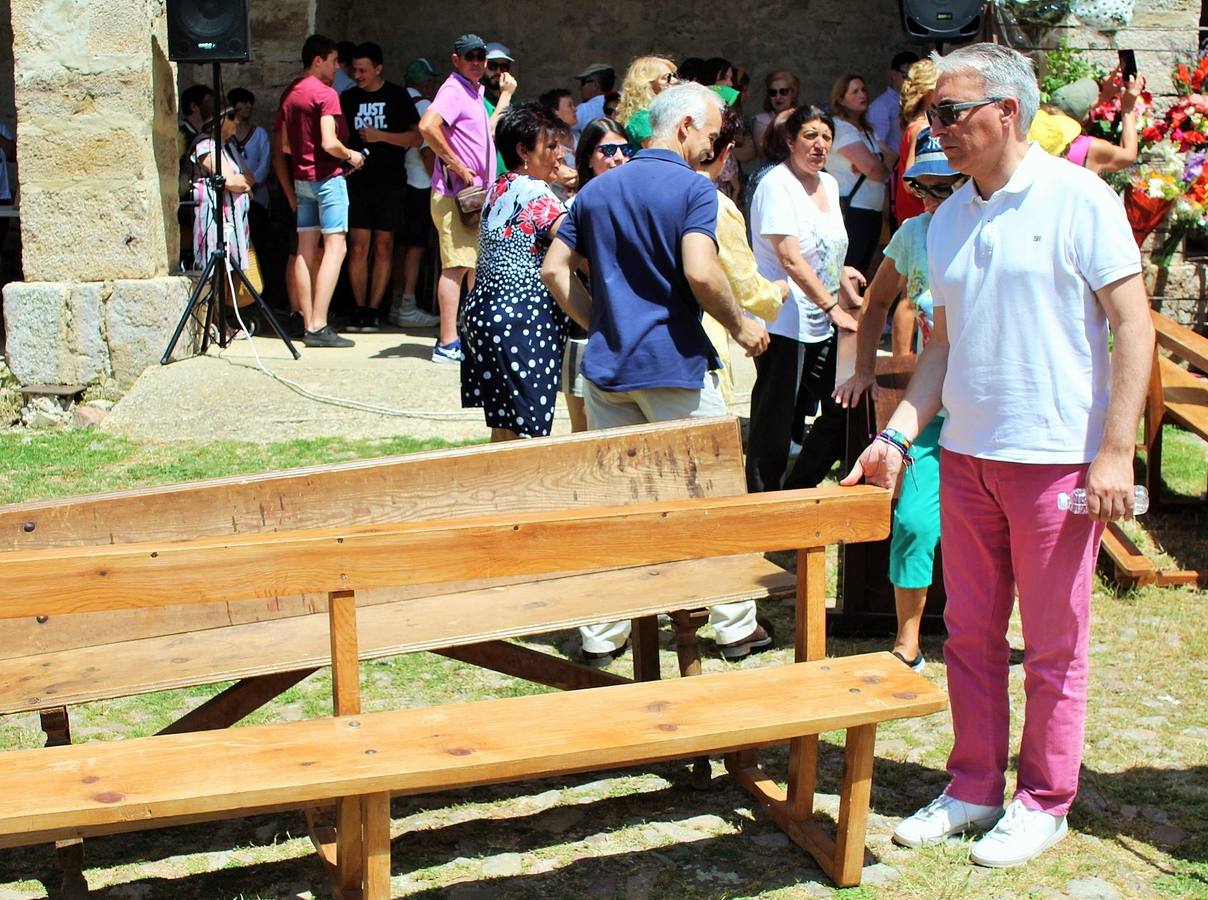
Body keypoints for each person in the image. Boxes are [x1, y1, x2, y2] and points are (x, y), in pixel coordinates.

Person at [843, 43, 1154, 869]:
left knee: (1054, 644)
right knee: (970, 635)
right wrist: (899, 433)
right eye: (929, 114)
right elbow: (943, 350)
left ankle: (1043, 800)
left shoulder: (1080, 198)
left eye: (949, 112)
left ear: (1006, 112)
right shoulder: (945, 220)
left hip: (1057, 459)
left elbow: (1134, 326)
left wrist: (1116, 451)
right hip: (971, 458)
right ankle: (975, 784)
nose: (933, 127)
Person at [541, 83, 771, 666]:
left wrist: (599, 323)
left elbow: (554, 269)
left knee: (618, 509)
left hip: (608, 370)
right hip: (675, 366)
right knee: (712, 497)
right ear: (688, 125)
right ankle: (734, 626)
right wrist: (741, 324)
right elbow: (700, 268)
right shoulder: (696, 189)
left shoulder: (597, 190)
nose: (714, 145)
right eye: (714, 133)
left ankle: (602, 634)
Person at [833, 127, 965, 673]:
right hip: (928, 410)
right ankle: (907, 639)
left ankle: (980, 634)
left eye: (945, 187)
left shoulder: (994, 229)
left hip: (990, 408)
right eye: (923, 188)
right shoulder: (913, 234)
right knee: (912, 519)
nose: (934, 199)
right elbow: (879, 300)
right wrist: (863, 369)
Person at [746, 104, 860, 493]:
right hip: (784, 320)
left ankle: (798, 487)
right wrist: (834, 309)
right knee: (776, 421)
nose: (820, 145)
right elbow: (791, 259)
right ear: (790, 141)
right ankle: (763, 505)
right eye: (810, 136)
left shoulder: (828, 183)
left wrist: (845, 288)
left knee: (843, 405)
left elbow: (827, 249)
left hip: (824, 320)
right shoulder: (776, 185)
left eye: (826, 137)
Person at [460, 103, 568, 441]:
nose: (559, 154)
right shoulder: (537, 193)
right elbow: (572, 238)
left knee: (503, 426)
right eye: (550, 146)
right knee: (529, 431)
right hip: (521, 319)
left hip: (483, 316)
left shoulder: (499, 187)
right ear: (523, 150)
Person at [273, 33, 364, 348]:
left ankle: (308, 319)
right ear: (318, 60)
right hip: (328, 178)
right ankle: (320, 324)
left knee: (304, 250)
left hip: (302, 180)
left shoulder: (291, 94)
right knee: (336, 248)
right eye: (334, 60)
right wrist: (352, 154)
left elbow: (284, 145)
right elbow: (329, 142)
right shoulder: (326, 94)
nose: (337, 67)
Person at [693, 106, 788, 404]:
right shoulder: (715, 205)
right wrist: (778, 291)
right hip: (699, 342)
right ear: (728, 150)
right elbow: (746, 287)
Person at [419, 34, 497, 364]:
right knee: (455, 267)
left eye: (481, 56)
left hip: (472, 196)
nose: (477, 61)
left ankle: (465, 337)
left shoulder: (473, 90)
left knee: (470, 267)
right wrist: (456, 164)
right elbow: (427, 126)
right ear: (456, 60)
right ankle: (447, 343)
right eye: (470, 57)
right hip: (456, 195)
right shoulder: (453, 89)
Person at [340, 41, 422, 333]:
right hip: (358, 183)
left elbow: (416, 139)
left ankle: (374, 309)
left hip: (390, 183)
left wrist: (380, 136)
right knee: (359, 247)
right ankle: (359, 308)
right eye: (355, 70)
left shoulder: (397, 96)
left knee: (384, 247)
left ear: (378, 68)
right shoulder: (347, 98)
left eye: (363, 70)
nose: (358, 75)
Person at [561, 116, 635, 433]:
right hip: (584, 329)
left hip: (630, 331)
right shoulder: (575, 206)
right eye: (607, 150)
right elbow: (566, 269)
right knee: (583, 427)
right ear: (588, 157)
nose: (617, 157)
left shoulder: (639, 201)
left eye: (624, 148)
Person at [188, 106, 256, 336]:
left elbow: (249, 176)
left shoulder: (228, 148)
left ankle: (224, 321)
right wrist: (242, 184)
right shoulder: (204, 145)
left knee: (228, 271)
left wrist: (243, 182)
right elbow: (230, 180)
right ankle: (213, 322)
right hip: (215, 220)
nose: (237, 122)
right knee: (215, 270)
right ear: (220, 119)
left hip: (232, 221)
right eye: (232, 117)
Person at [390, 58, 443, 328]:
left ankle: (397, 300)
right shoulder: (422, 105)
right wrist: (439, 183)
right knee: (415, 246)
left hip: (399, 182)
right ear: (424, 81)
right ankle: (409, 305)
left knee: (401, 246)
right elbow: (426, 149)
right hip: (421, 183)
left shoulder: (396, 101)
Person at [826, 74, 895, 277]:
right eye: (854, 91)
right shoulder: (840, 128)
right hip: (854, 210)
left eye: (863, 90)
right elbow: (875, 169)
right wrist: (876, 164)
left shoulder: (865, 130)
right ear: (840, 98)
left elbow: (891, 158)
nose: (862, 95)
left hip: (871, 209)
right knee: (851, 270)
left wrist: (876, 163)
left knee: (864, 269)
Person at [1042, 71, 1147, 175]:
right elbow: (1129, 156)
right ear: (1085, 119)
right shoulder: (1090, 148)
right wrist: (1128, 107)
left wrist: (1103, 97)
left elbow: (1067, 111)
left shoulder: (1035, 129)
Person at [615, 56, 678, 148]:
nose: (675, 81)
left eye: (673, 76)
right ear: (647, 84)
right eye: (667, 77)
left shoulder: (657, 113)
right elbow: (658, 154)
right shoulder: (643, 118)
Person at [868, 51, 920, 152]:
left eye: (916, 77)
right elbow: (878, 145)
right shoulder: (881, 105)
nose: (911, 81)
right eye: (907, 75)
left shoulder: (921, 101)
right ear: (894, 74)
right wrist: (898, 164)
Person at [484, 41, 519, 175]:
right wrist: (506, 93)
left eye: (504, 67)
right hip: (490, 178)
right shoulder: (477, 97)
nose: (498, 72)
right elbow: (490, 132)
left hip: (512, 176)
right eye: (493, 66)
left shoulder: (512, 100)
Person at [752, 70, 799, 160]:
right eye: (773, 92)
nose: (778, 97)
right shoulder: (761, 121)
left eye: (783, 92)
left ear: (793, 94)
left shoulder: (803, 118)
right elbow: (764, 154)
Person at [574, 64, 616, 135]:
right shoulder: (624, 101)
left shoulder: (583, 109)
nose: (580, 87)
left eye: (583, 82)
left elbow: (562, 129)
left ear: (595, 85)